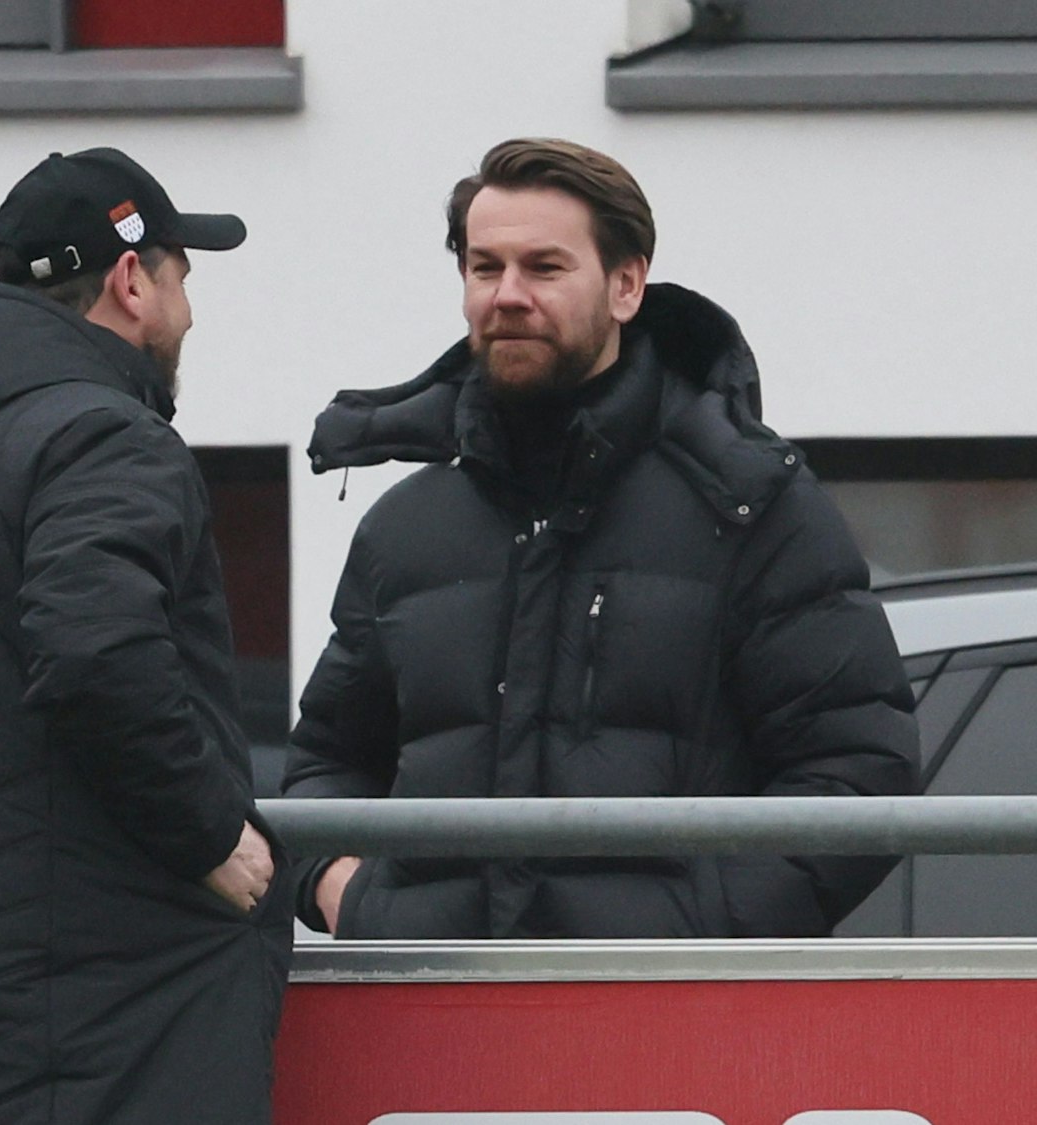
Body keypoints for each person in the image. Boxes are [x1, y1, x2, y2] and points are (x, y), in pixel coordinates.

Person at [287, 137, 920, 940]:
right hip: (435, 1027)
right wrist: (350, 893)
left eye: (544, 267)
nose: (507, 294)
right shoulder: (406, 525)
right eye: (486, 268)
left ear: (627, 285)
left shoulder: (750, 508)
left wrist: (699, 932)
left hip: (659, 1034)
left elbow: (860, 769)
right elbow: (326, 767)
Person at [0, 148, 291, 1124]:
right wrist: (214, 839)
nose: (189, 312)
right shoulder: (98, 437)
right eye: (180, 278)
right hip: (109, 1015)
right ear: (130, 282)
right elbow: (95, 652)